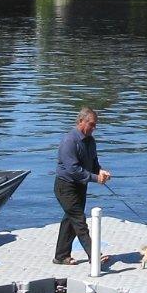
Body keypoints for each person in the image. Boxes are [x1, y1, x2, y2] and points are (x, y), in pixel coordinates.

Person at [53, 106, 111, 266]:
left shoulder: (90, 141)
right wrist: (95, 178)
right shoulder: (69, 141)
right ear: (81, 121)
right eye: (91, 124)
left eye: (95, 125)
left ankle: (61, 256)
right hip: (65, 186)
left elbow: (93, 164)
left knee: (70, 220)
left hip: (80, 186)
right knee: (79, 220)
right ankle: (94, 255)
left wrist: (101, 172)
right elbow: (73, 170)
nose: (94, 128)